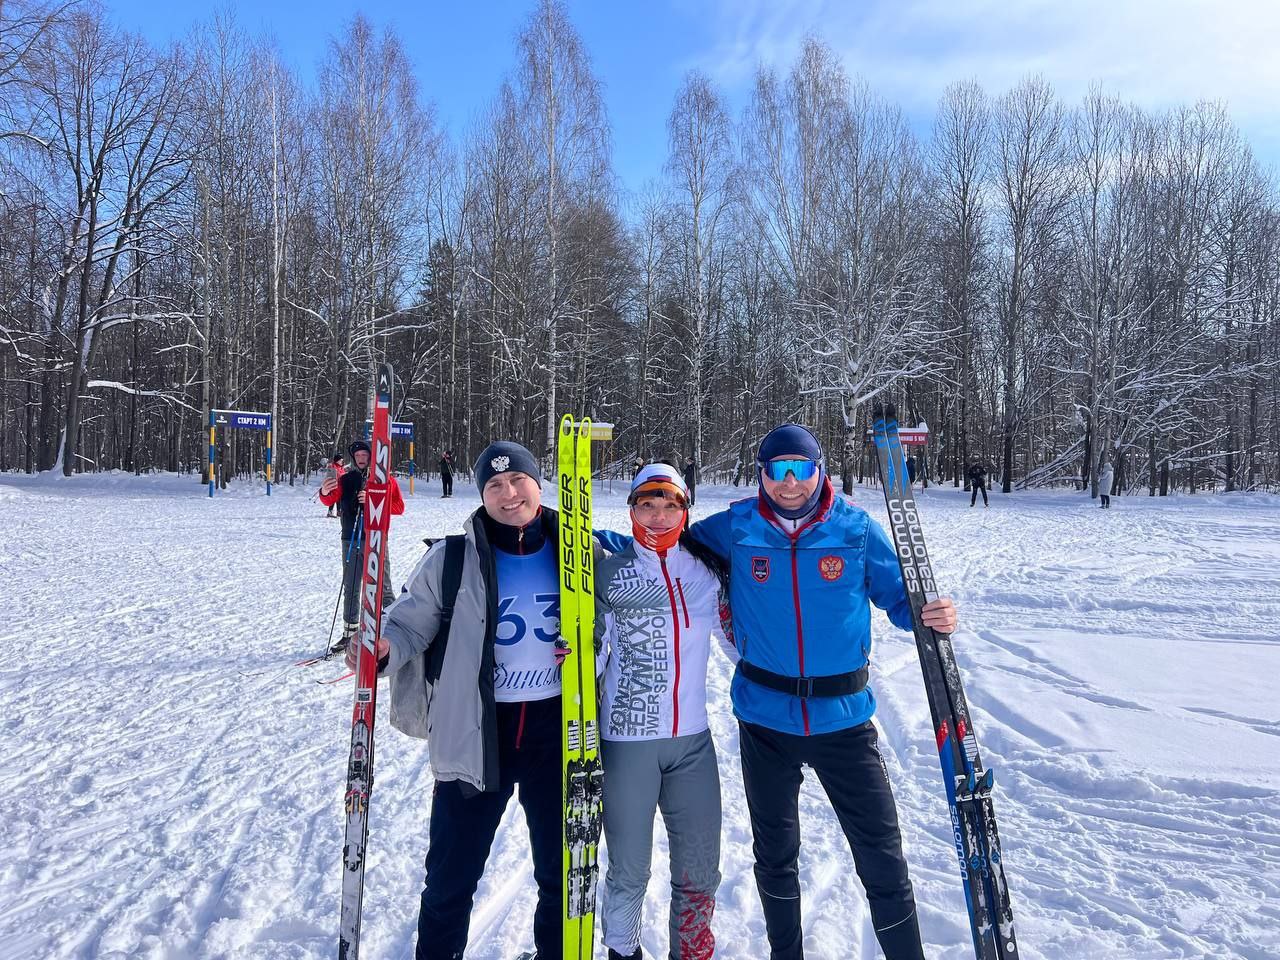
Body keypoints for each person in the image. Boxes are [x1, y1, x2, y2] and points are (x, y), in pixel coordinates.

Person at [685, 423, 958, 960]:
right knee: (776, 854)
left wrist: (933, 612)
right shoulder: (736, 527)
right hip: (765, 720)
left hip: (843, 721)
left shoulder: (854, 529)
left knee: (881, 855)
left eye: (800, 469)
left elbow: (903, 599)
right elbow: (668, 545)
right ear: (761, 474)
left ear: (819, 470)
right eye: (777, 470)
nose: (789, 483)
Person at [353, 441, 590, 960]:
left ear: (538, 481)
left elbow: (612, 624)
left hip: (559, 735)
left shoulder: (577, 552)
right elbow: (408, 623)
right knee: (448, 883)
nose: (509, 494)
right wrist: (383, 648)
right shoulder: (452, 557)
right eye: (494, 486)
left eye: (518, 481)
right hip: (476, 735)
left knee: (562, 876)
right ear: (482, 494)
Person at [595, 462, 736, 960]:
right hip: (627, 742)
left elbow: (740, 645)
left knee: (700, 870)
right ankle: (622, 951)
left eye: (669, 505)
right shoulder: (609, 571)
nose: (657, 517)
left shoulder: (705, 573)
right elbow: (591, 654)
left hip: (693, 744)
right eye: (646, 505)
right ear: (631, 509)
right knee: (628, 871)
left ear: (685, 509)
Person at [320, 438, 405, 644]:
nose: (360, 459)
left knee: (382, 587)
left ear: (372, 457)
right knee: (351, 587)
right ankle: (349, 633)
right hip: (350, 537)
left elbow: (399, 507)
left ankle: (391, 634)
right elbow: (328, 499)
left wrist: (374, 500)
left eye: (364, 455)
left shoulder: (386, 480)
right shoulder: (346, 478)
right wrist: (324, 491)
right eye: (357, 456)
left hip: (376, 539)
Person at [325, 453, 345, 518]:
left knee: (338, 499)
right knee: (333, 499)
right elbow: (332, 476)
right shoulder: (333, 467)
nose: (342, 461)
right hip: (334, 486)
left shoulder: (341, 467)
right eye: (340, 460)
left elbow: (343, 475)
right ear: (337, 461)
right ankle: (330, 512)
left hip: (340, 486)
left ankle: (338, 512)